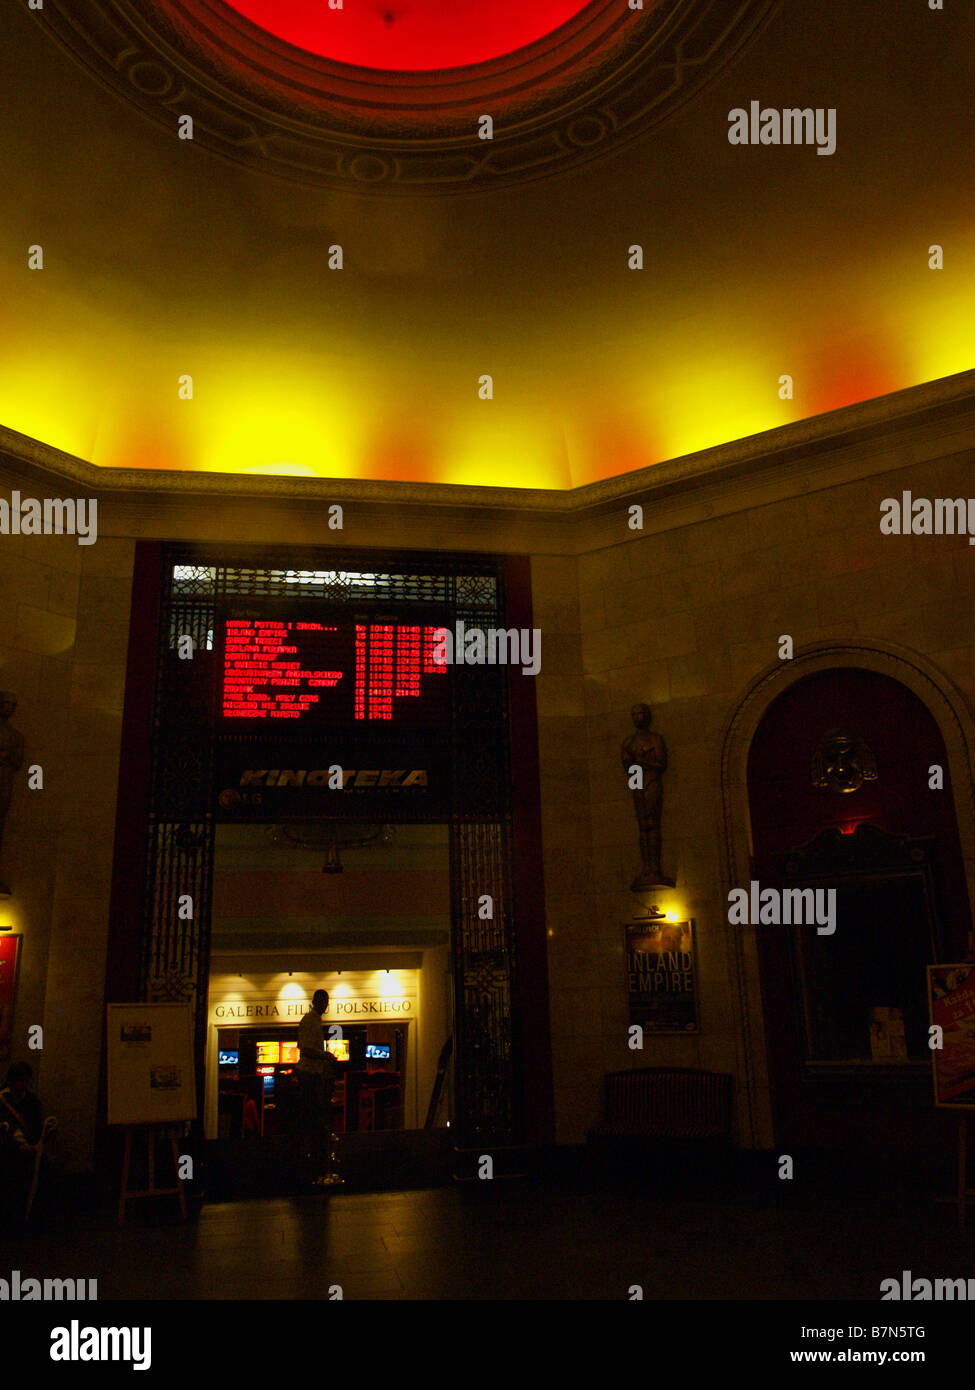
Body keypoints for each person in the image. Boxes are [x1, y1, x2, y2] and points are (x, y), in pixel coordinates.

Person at [0, 1062, 56, 1227]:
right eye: (18, 1081)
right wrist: (18, 1146)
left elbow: (37, 1128)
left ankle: (34, 1218)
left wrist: (46, 1133)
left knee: (47, 1169)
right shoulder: (3, 1101)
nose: (21, 1085)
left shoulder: (31, 1101)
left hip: (29, 1148)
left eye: (24, 1081)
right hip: (9, 1149)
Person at [297, 990, 338, 1185]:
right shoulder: (310, 1021)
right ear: (315, 1002)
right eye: (322, 1001)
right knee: (314, 1117)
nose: (325, 1005)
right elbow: (305, 1049)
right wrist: (325, 1056)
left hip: (312, 1074)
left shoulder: (313, 1021)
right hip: (309, 1075)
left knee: (315, 1117)